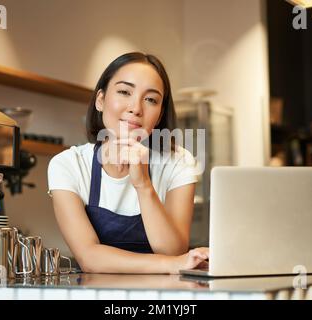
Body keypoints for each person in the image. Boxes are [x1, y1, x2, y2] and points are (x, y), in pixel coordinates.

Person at [47, 52, 209, 274]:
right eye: (124, 92)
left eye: (151, 99)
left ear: (160, 114)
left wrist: (143, 185)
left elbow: (173, 250)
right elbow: (89, 257)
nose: (136, 108)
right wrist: (173, 264)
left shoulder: (178, 163)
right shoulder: (69, 165)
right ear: (100, 100)